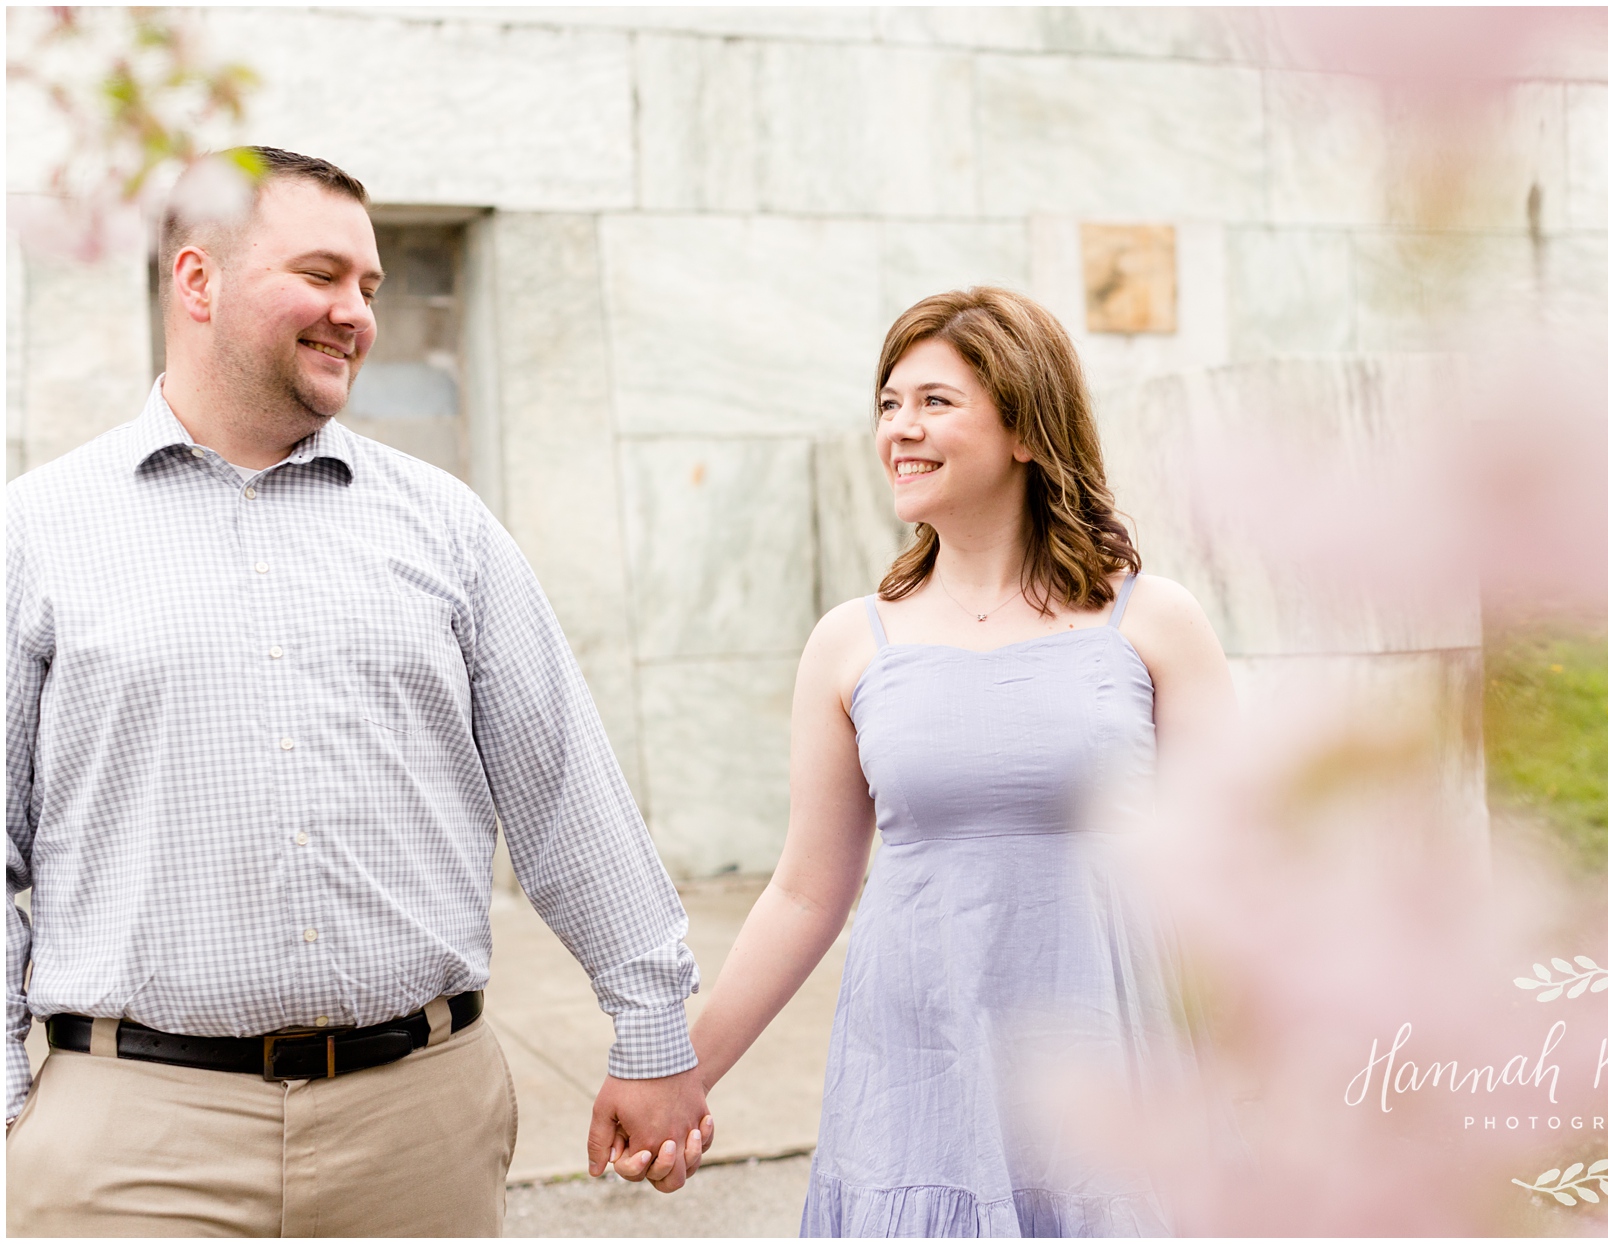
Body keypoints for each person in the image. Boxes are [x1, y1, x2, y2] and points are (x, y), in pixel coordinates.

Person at [5, 147, 708, 1236]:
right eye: (323, 274)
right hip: (131, 1145)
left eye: (370, 288)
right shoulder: (37, 534)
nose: (356, 314)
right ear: (197, 280)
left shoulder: (448, 528)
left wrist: (653, 1029)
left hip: (417, 1131)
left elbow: (565, 790)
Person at [687, 287, 1238, 1236]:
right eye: (889, 404)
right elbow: (805, 893)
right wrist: (678, 1074)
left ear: (1026, 426)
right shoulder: (850, 644)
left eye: (935, 402)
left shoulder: (1153, 623)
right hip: (919, 1083)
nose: (901, 428)